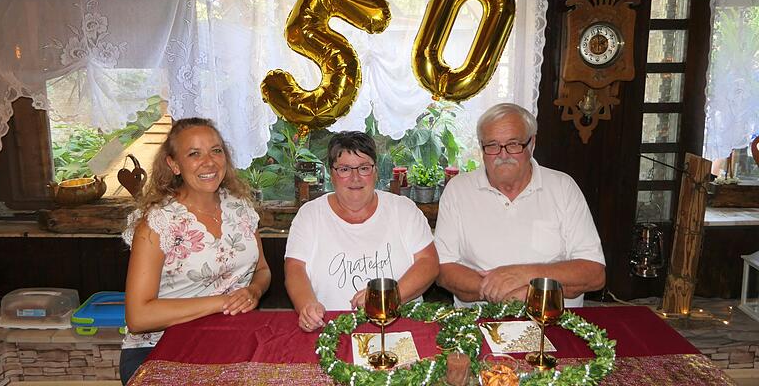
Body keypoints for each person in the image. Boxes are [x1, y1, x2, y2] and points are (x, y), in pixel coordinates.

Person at [119, 118, 271, 384]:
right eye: (194, 154)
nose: (209, 162)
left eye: (216, 150)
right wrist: (222, 303)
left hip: (230, 338)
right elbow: (138, 317)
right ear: (174, 164)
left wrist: (253, 291)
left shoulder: (241, 207)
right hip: (157, 348)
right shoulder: (157, 223)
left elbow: (263, 270)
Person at [435, 103, 605, 308]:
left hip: (554, 321)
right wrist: (499, 291)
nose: (503, 154)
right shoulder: (458, 190)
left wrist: (523, 276)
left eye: (513, 144)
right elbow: (443, 269)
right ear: (481, 147)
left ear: (532, 143)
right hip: (478, 322)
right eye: (492, 145)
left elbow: (594, 273)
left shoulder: (563, 187)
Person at [285, 131, 439, 332]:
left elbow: (429, 263)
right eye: (345, 169)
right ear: (332, 174)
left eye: (364, 168)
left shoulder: (404, 209)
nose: (355, 178)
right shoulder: (310, 214)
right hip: (330, 331)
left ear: (375, 172)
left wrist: (386, 298)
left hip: (401, 329)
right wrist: (306, 305)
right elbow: (295, 269)